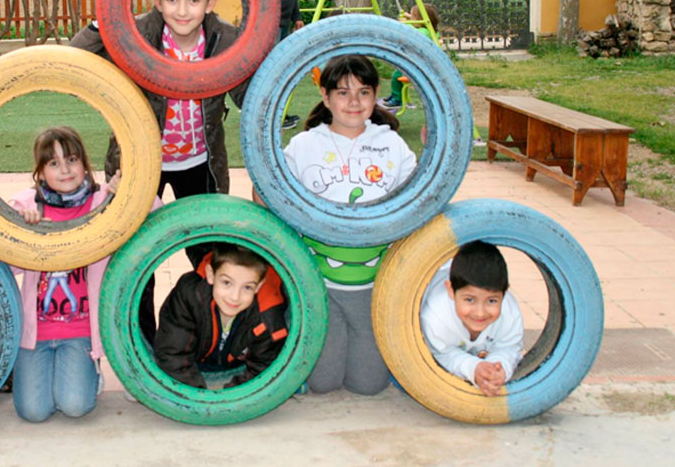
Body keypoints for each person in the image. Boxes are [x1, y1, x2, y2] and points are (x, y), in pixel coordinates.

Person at [71, 0, 249, 344]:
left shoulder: (224, 38)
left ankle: (208, 343)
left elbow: (248, 96)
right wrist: (106, 22)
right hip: (138, 164)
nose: (182, 11)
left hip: (199, 163)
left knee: (208, 258)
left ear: (211, 1)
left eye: (193, 0)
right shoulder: (135, 33)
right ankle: (143, 347)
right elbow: (75, 56)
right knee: (137, 258)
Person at [278, 54, 417, 395]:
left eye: (363, 92)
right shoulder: (304, 144)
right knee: (323, 383)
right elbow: (268, 194)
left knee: (368, 385)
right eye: (342, 92)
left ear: (375, 95)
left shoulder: (392, 144)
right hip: (320, 283)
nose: (353, 102)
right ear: (325, 97)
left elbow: (418, 202)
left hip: (375, 284)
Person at [7, 126, 121, 423]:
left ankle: (89, 375)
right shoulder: (26, 207)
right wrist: (24, 232)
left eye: (72, 160)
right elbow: (5, 266)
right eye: (54, 163)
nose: (66, 170)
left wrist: (128, 193)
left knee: (75, 406)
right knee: (33, 412)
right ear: (41, 173)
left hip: (79, 330)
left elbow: (154, 211)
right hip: (37, 333)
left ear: (85, 164)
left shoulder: (102, 202)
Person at [154, 244, 288, 389]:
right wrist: (197, 397)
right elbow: (172, 353)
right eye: (226, 283)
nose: (235, 297)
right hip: (193, 363)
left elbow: (263, 370)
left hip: (236, 367)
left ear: (259, 286)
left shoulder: (266, 317)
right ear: (211, 275)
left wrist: (227, 402)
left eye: (247, 287)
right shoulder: (191, 296)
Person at [420, 241, 524, 397]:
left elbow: (510, 347)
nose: (480, 313)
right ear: (450, 290)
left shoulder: (509, 312)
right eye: (469, 300)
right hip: (437, 270)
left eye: (492, 301)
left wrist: (497, 368)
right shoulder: (435, 316)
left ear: (504, 293)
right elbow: (443, 353)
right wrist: (473, 368)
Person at [260, 0, 305, 130]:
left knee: (283, 69)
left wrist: (297, 16)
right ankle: (268, 117)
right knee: (272, 71)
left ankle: (278, 115)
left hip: (286, 22)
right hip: (270, 25)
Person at [379, 3, 439, 111]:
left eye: (413, 17)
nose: (411, 19)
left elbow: (412, 33)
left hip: (420, 66)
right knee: (396, 73)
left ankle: (397, 99)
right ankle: (395, 95)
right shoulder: (430, 30)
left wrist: (405, 23)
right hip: (418, 62)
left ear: (421, 20)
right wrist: (409, 17)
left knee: (396, 76)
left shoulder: (423, 31)